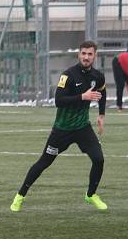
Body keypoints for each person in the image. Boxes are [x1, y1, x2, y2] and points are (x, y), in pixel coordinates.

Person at [10, 40, 107, 212]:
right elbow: (59, 101)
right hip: (62, 130)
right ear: (78, 54)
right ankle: (20, 195)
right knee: (44, 162)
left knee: (99, 159)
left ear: (95, 56)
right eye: (83, 53)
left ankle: (91, 195)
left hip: (83, 128)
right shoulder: (68, 75)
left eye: (89, 54)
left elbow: (102, 91)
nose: (86, 57)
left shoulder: (97, 76)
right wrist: (82, 97)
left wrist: (101, 115)